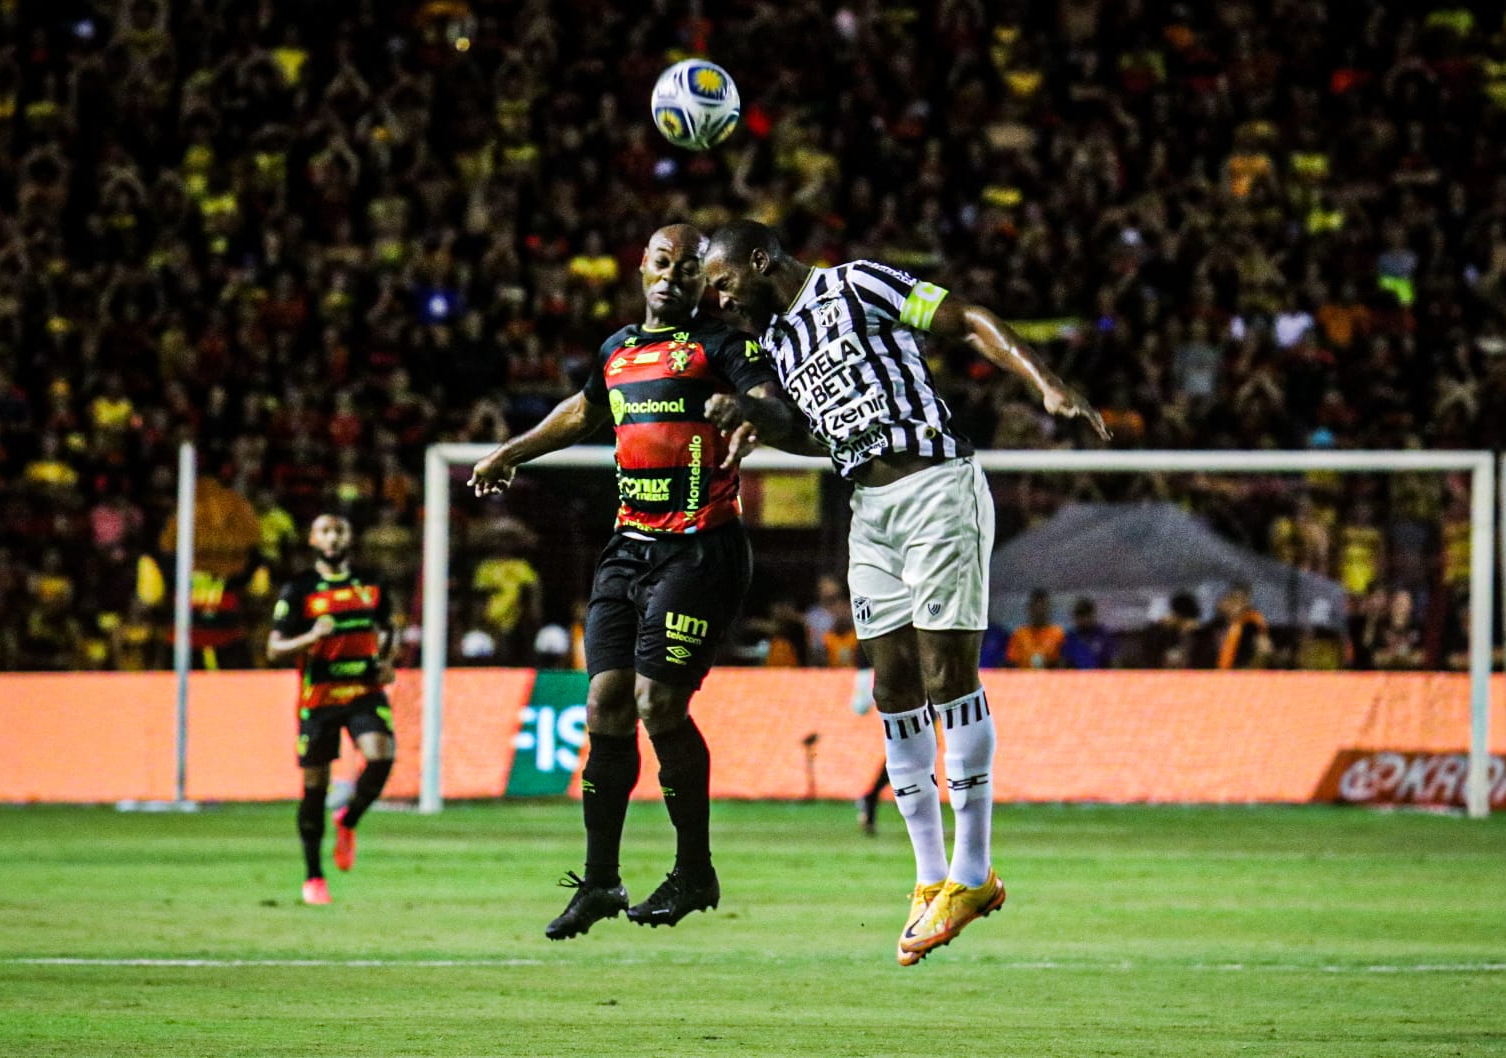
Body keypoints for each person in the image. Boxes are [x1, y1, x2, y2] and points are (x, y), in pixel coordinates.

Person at [700, 219, 1108, 965]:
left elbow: (968, 320)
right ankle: (929, 881)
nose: (723, 301)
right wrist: (756, 416)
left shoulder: (855, 283)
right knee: (893, 687)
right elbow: (813, 429)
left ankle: (975, 873)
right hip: (870, 510)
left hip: (934, 488)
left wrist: (1047, 382)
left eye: (725, 283)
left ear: (760, 259)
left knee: (946, 674)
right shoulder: (782, 342)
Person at [468, 224, 783, 940]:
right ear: (642, 268)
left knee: (655, 702)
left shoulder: (721, 345)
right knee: (605, 705)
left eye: (689, 269)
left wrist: (749, 410)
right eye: (663, 263)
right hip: (628, 548)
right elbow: (583, 412)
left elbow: (770, 396)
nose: (674, 277)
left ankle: (694, 870)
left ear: (705, 282)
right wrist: (512, 452)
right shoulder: (616, 351)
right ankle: (602, 881)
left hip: (701, 548)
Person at [267, 514, 397, 906]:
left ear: (349, 536)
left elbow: (386, 627)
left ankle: (349, 819)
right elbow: (274, 648)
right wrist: (311, 636)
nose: (333, 537)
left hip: (363, 689)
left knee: (381, 755)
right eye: (324, 530)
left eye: (339, 530)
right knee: (314, 788)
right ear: (312, 538)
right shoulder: (299, 589)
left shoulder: (371, 583)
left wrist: (387, 659)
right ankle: (314, 876)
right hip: (320, 698)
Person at [1004, 588, 1065, 669]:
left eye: (1042, 607)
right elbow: (1011, 662)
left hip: (1050, 679)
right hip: (1023, 679)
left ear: (1048, 608)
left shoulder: (1058, 634)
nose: (1039, 611)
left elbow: (1063, 662)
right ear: (1029, 608)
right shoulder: (1020, 634)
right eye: (1036, 607)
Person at [1061, 597, 1118, 670]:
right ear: (1075, 617)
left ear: (1093, 615)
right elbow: (1063, 663)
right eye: (1080, 616)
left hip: (1100, 678)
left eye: (1086, 615)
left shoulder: (1104, 635)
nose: (1084, 619)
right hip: (1076, 679)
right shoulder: (1070, 638)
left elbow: (1114, 662)